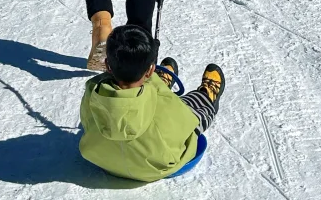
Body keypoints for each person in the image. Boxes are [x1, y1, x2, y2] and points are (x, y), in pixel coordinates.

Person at [79, 23, 226, 181]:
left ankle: (156, 82)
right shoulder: (164, 106)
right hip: (153, 168)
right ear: (150, 70)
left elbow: (88, 122)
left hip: (103, 159)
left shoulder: (93, 90)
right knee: (193, 111)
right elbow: (186, 126)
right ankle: (206, 96)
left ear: (108, 65)